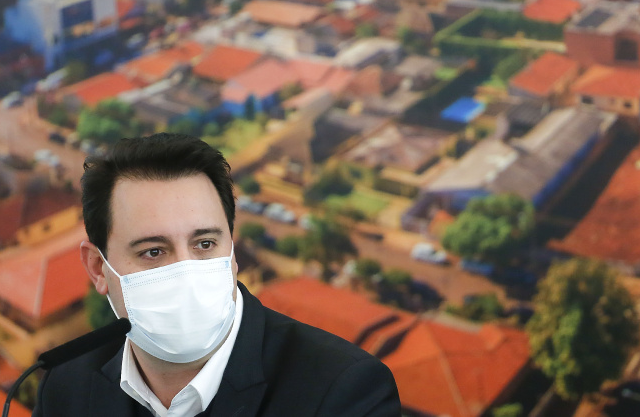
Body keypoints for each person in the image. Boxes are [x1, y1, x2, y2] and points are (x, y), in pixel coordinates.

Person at [33, 133, 400, 416]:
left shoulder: (342, 391)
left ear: (232, 249)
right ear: (99, 268)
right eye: (154, 252)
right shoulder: (66, 388)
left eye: (205, 244)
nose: (186, 270)